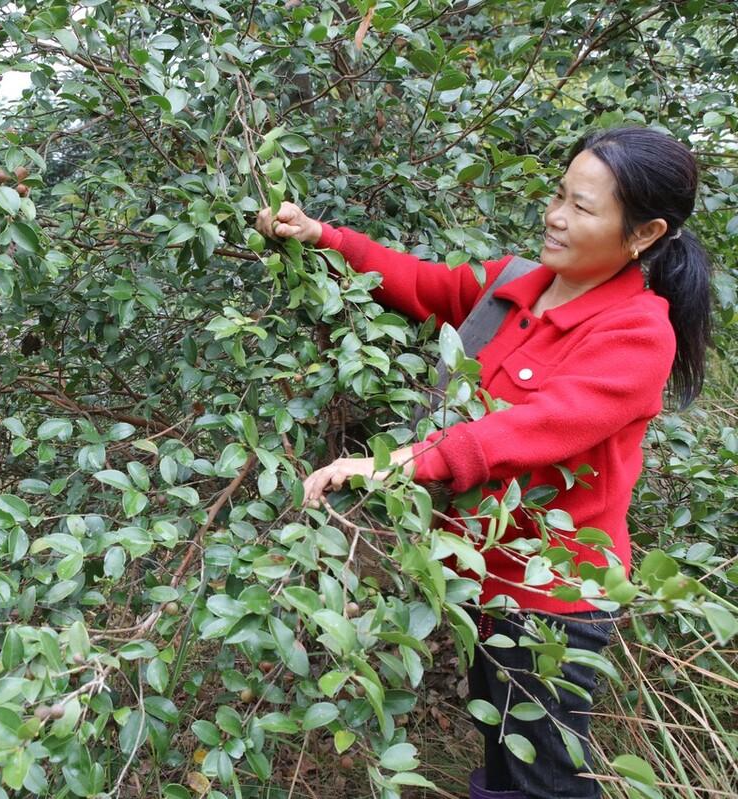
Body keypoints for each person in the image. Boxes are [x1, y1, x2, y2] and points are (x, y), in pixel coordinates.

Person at [256, 127, 711, 799]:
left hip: (555, 600)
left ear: (643, 233)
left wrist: (399, 462)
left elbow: (531, 428)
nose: (555, 216)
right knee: (506, 748)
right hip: (487, 585)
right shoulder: (513, 282)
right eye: (559, 195)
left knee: (543, 778)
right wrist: (321, 235)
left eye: (582, 208)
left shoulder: (638, 334)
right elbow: (421, 285)